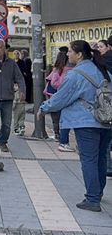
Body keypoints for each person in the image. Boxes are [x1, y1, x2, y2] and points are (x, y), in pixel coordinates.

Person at [40, 40, 112, 212]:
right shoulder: (105, 71)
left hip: (86, 122)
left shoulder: (75, 74)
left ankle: (92, 199)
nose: (67, 54)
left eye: (70, 51)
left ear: (79, 54)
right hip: (106, 121)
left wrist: (43, 108)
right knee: (101, 158)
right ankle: (98, 193)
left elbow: (61, 98)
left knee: (88, 159)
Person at [45, 50, 75, 151]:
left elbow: (54, 83)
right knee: (65, 118)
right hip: (68, 97)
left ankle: (59, 136)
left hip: (56, 96)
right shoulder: (73, 69)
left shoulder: (58, 69)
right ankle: (63, 139)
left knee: (56, 118)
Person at [97, 39, 112, 177]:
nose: (99, 49)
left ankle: (109, 167)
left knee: (107, 137)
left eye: (101, 46)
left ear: (109, 47)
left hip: (107, 101)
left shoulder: (102, 61)